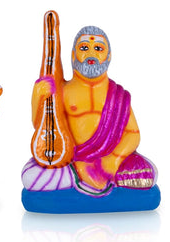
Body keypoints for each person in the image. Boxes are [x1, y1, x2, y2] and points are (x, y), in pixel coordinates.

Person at [23, 26, 157, 196]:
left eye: (98, 48)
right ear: (73, 55)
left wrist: (113, 160)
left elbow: (133, 133)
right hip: (72, 161)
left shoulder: (118, 95)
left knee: (147, 172)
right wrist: (38, 97)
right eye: (84, 48)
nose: (91, 53)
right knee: (30, 177)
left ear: (108, 56)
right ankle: (79, 175)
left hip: (111, 161)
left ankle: (85, 179)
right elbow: (43, 129)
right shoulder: (63, 91)